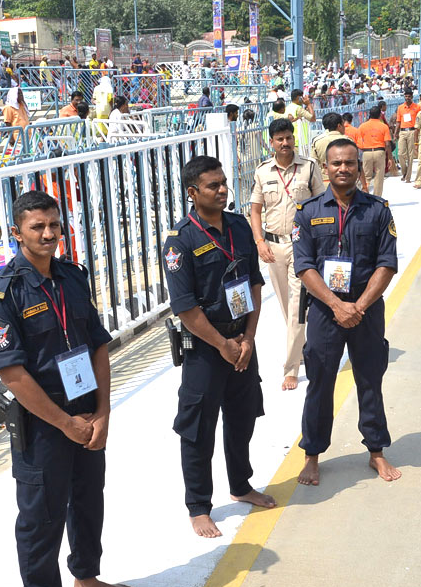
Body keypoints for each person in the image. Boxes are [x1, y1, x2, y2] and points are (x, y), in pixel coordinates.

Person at [0, 191, 135, 587]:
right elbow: (12, 374)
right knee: (41, 516)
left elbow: (98, 346)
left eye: (54, 225)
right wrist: (65, 422)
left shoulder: (73, 276)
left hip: (86, 411)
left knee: (88, 499)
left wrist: (103, 412)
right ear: (17, 232)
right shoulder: (3, 294)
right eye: (37, 227)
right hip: (45, 422)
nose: (48, 234)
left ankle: (86, 579)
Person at [161, 156, 277, 538]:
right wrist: (223, 343)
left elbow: (254, 283)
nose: (223, 190)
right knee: (198, 428)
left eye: (224, 183)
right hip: (206, 347)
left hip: (242, 339)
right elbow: (185, 307)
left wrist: (248, 336)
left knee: (243, 416)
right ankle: (198, 505)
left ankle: (241, 484)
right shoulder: (180, 241)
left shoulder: (239, 226)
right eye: (213, 185)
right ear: (193, 193)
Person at [293, 138, 402, 487]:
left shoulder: (378, 210)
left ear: (358, 166)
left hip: (365, 308)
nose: (343, 169)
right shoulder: (307, 211)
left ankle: (376, 450)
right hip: (326, 310)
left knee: (370, 379)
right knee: (320, 384)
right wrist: (337, 305)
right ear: (325, 168)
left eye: (350, 163)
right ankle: (312, 455)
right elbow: (304, 266)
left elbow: (387, 264)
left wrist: (359, 306)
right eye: (336, 163)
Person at [250, 119, 322, 391]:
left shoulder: (309, 167)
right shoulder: (262, 171)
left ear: (294, 139)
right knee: (285, 306)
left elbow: (320, 204)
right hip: (274, 247)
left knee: (296, 308)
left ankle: (291, 367)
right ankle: (299, 345)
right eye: (279, 138)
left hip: (302, 245)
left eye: (288, 137)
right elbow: (255, 211)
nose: (285, 142)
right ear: (272, 142)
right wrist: (259, 241)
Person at [356, 105, 392, 196]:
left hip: (367, 152)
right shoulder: (383, 126)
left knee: (367, 176)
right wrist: (390, 158)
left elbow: (358, 142)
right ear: (380, 115)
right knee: (379, 177)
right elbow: (387, 143)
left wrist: (364, 147)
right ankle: (377, 197)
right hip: (379, 151)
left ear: (369, 114)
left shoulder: (362, 126)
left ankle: (366, 196)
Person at [394, 89, 420, 180]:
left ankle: (408, 176)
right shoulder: (400, 108)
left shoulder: (417, 107)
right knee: (401, 153)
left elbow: (418, 121)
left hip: (412, 131)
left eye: (409, 96)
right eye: (406, 96)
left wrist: (417, 134)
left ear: (412, 97)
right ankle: (404, 172)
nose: (407, 98)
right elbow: (398, 121)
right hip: (402, 131)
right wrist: (395, 133)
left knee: (410, 154)